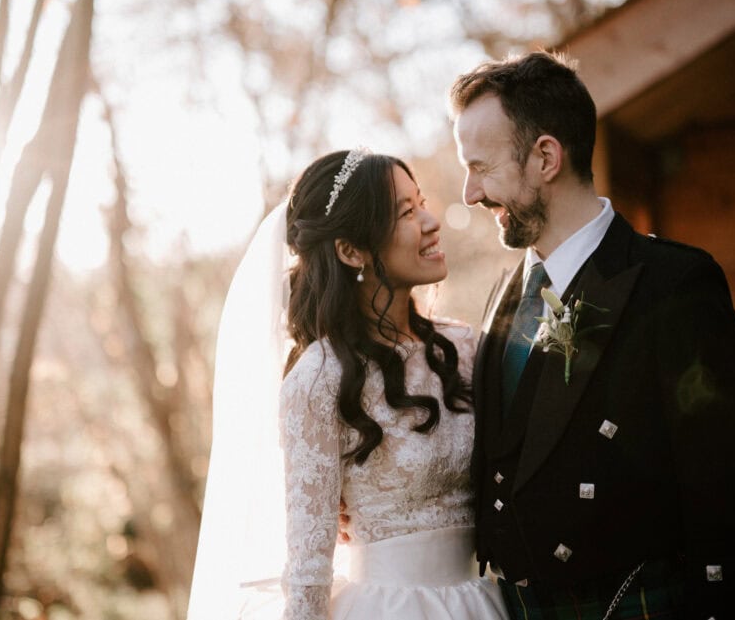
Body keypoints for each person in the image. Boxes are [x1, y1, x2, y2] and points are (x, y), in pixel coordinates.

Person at [448, 51, 735, 619]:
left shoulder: (674, 285)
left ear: (546, 156)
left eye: (482, 167)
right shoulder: (505, 293)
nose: (470, 194)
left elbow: (723, 491)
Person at [187, 149, 508, 620]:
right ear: (351, 250)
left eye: (421, 203)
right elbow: (308, 567)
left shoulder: (463, 347)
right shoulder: (319, 379)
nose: (431, 221)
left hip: (480, 603)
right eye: (406, 212)